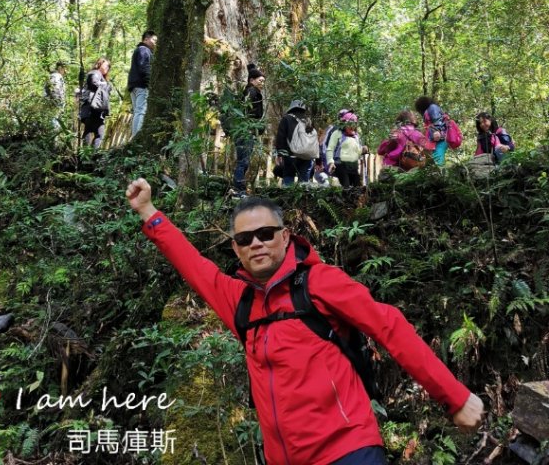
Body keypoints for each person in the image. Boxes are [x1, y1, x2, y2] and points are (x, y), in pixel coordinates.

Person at [126, 182, 485, 465]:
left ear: (285, 236)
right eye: (244, 239)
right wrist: (148, 211)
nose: (257, 244)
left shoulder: (319, 283)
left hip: (349, 452)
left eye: (266, 234)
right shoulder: (240, 302)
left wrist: (453, 397)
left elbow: (389, 327)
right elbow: (192, 264)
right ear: (236, 249)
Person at [231, 65, 266, 196]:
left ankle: (239, 188)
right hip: (245, 131)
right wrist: (252, 127)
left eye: (263, 81)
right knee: (243, 161)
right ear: (252, 80)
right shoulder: (251, 92)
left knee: (243, 161)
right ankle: (239, 189)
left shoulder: (253, 92)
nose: (262, 84)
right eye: (260, 81)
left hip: (246, 130)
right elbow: (246, 111)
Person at [275, 99, 318, 186]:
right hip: (307, 156)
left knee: (288, 176)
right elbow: (314, 139)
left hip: (291, 155)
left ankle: (287, 198)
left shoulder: (286, 119)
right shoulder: (307, 120)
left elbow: (281, 137)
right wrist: (318, 160)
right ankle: (303, 198)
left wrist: (280, 153)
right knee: (304, 181)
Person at [127, 31, 157, 137]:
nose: (155, 43)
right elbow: (144, 67)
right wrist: (150, 83)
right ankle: (137, 137)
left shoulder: (140, 50)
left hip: (134, 85)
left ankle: (135, 136)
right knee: (140, 111)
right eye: (154, 40)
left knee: (137, 111)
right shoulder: (144, 50)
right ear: (146, 39)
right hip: (141, 85)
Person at [326, 111, 364, 188]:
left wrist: (364, 150)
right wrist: (331, 162)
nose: (352, 127)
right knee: (346, 185)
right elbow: (330, 149)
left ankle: (354, 199)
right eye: (350, 125)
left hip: (353, 166)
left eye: (354, 124)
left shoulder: (357, 136)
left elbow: (358, 152)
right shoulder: (337, 133)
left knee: (358, 187)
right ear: (344, 125)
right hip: (340, 165)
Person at [80, 58, 112, 149]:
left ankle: (90, 156)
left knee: (98, 133)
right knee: (91, 131)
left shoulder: (100, 76)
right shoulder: (94, 73)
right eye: (106, 65)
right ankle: (86, 155)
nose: (107, 67)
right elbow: (94, 83)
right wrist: (107, 85)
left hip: (97, 110)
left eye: (109, 67)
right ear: (99, 64)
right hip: (91, 108)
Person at [415, 96, 449, 166]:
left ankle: (440, 171)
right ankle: (438, 170)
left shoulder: (432, 107)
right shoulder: (430, 109)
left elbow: (437, 120)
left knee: (438, 154)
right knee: (435, 155)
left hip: (440, 137)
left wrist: (437, 131)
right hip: (435, 138)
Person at [44, 61, 67, 131]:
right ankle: (54, 139)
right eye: (64, 69)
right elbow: (55, 90)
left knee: (55, 120)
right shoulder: (56, 76)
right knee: (55, 120)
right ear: (60, 68)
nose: (66, 71)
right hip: (56, 103)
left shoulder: (53, 75)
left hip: (55, 102)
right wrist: (58, 102)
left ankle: (55, 137)